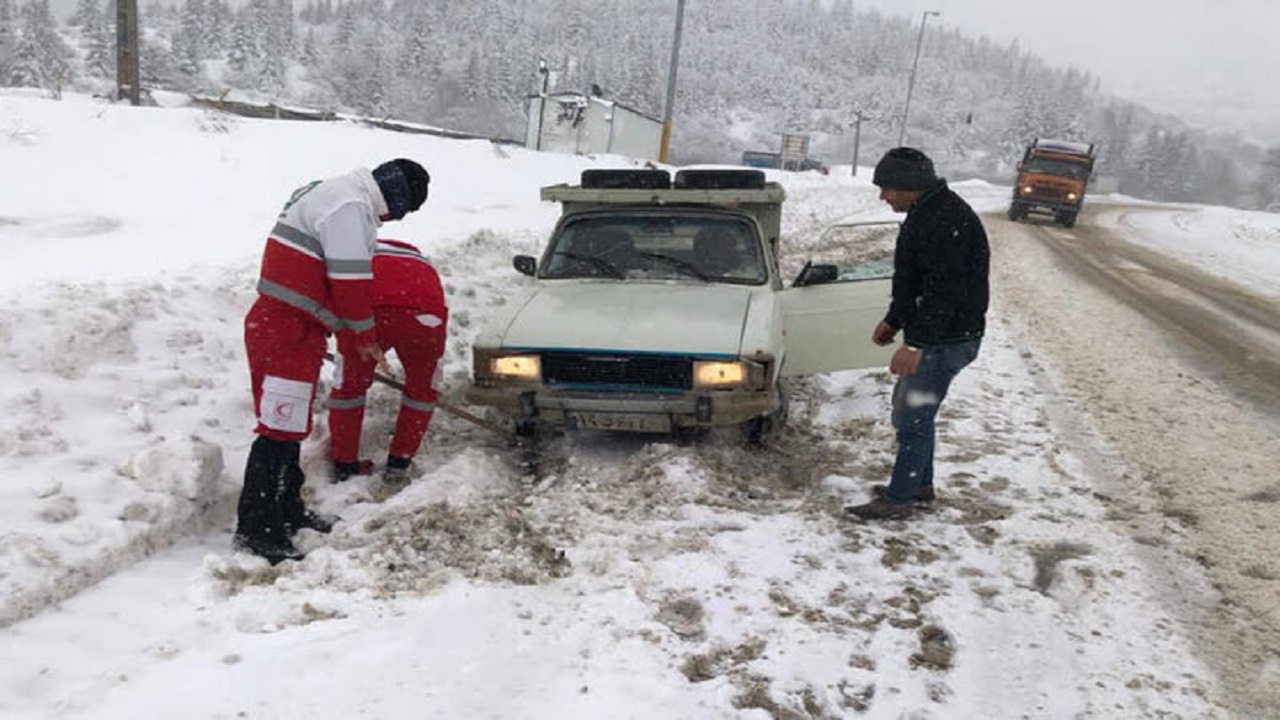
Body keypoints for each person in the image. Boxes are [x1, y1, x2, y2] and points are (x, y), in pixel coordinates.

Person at [235, 159, 431, 564]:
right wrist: (364, 340)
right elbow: (351, 282)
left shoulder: (336, 194)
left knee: (290, 428)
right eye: (403, 209)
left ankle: (287, 511)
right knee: (277, 431)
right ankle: (257, 530)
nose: (393, 219)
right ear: (396, 194)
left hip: (297, 327)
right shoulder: (348, 208)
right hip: (284, 328)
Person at [845, 147, 989, 521]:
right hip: (940, 336)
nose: (882, 196)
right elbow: (910, 280)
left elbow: (944, 292)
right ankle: (918, 485)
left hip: (947, 339)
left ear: (910, 185)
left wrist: (915, 344)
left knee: (913, 415)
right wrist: (895, 319)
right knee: (911, 410)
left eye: (887, 188)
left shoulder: (945, 220)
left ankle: (900, 499)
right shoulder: (925, 212)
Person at [327, 239, 448, 484]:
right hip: (425, 314)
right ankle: (399, 462)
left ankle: (345, 463)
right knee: (422, 390)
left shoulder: (356, 256)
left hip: (369, 310)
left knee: (349, 387)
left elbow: (335, 292)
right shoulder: (422, 263)